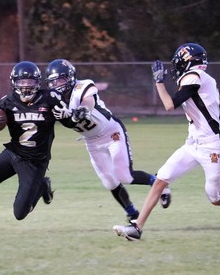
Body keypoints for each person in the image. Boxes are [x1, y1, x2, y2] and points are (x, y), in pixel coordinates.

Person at [113, 43, 220, 240]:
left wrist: (158, 81)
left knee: (215, 198)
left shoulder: (194, 77)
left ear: (188, 63)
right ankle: (137, 228)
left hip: (210, 146)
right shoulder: (206, 81)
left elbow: (169, 105)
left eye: (179, 63)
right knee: (161, 179)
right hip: (193, 144)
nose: (176, 68)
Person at [44, 59, 172, 222]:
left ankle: (160, 184)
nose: (57, 85)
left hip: (111, 134)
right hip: (92, 142)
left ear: (70, 77)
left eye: (60, 80)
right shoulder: (53, 100)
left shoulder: (82, 86)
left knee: (125, 176)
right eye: (53, 82)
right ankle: (132, 214)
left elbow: (88, 102)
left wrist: (78, 111)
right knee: (109, 182)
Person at [0, 61, 73, 231]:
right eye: (22, 82)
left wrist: (67, 116)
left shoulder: (50, 98)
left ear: (38, 82)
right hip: (13, 153)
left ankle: (41, 186)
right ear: (14, 82)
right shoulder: (6, 102)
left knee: (19, 213)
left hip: (35, 161)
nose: (26, 87)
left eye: (30, 82)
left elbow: (69, 123)